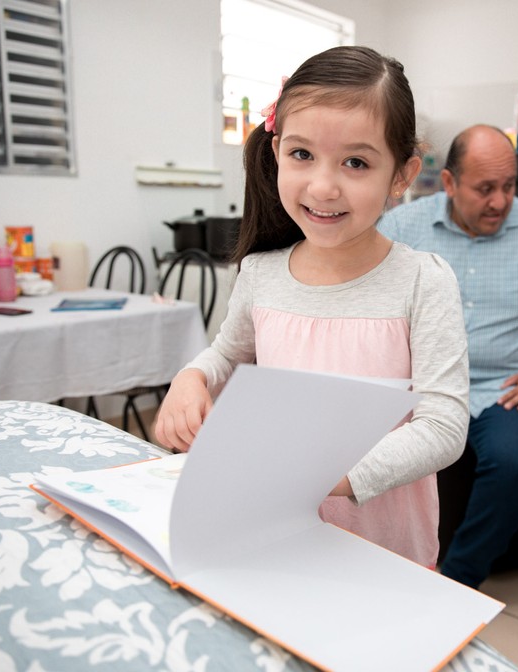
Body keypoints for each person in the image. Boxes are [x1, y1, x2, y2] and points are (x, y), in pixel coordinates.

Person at [154, 45, 470, 570]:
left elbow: (443, 427)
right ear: (277, 151)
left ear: (401, 174)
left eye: (355, 162)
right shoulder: (261, 273)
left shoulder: (422, 282)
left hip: (383, 547)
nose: (323, 186)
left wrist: (330, 475)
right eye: (302, 155)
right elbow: (225, 354)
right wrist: (191, 377)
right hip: (275, 529)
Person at [378, 124, 518, 588]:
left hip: (504, 390)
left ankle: (458, 581)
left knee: (516, 464)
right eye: (484, 189)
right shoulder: (403, 227)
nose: (500, 202)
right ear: (449, 183)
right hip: (419, 384)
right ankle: (379, 559)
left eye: (508, 186)